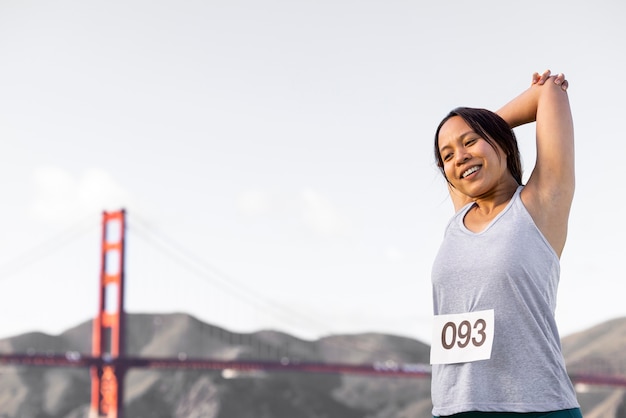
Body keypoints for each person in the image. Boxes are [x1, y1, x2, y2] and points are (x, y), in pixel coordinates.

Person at [430, 70, 582, 418]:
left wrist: (487, 125)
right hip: (454, 408)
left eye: (470, 142)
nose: (460, 157)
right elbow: (459, 163)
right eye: (448, 155)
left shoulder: (540, 204)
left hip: (535, 409)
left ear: (501, 141)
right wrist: (477, 132)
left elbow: (547, 94)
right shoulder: (461, 212)